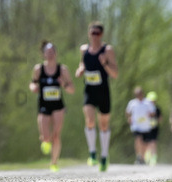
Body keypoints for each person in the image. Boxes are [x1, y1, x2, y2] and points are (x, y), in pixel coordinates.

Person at [75, 21, 118, 171]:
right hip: (89, 91)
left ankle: (104, 155)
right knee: (90, 120)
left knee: (104, 124)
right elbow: (82, 64)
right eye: (92, 33)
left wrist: (105, 64)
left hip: (103, 91)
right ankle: (92, 153)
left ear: (102, 34)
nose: (95, 36)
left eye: (97, 33)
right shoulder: (84, 50)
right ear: (89, 34)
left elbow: (115, 73)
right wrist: (80, 70)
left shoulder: (108, 50)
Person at [29, 41, 75, 172]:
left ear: (56, 53)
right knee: (45, 136)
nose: (50, 55)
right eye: (47, 53)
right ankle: (45, 140)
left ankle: (54, 162)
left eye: (52, 52)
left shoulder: (63, 69)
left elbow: (72, 89)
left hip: (58, 106)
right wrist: (34, 88)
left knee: (56, 135)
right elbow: (32, 83)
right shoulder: (38, 69)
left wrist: (64, 84)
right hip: (43, 105)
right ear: (43, 54)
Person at [125, 86, 155, 164]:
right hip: (136, 126)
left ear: (142, 94)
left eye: (140, 94)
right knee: (138, 140)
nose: (139, 96)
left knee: (145, 143)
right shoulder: (132, 103)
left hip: (146, 126)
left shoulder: (148, 102)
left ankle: (142, 157)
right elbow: (127, 112)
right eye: (137, 94)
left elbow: (153, 113)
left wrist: (150, 114)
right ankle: (138, 156)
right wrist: (129, 118)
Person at [145, 91, 162, 165]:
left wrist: (156, 121)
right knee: (147, 142)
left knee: (153, 142)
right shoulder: (145, 108)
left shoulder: (157, 109)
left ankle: (153, 157)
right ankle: (147, 156)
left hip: (154, 128)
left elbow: (160, 119)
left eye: (153, 101)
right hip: (146, 128)